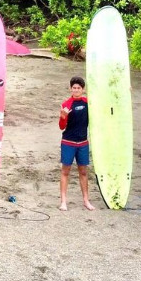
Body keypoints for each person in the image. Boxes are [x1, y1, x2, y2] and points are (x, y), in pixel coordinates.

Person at [58, 76, 95, 211]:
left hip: (83, 143)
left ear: (83, 89)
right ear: (70, 89)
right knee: (65, 171)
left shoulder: (88, 103)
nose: (76, 90)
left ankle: (86, 200)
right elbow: (62, 127)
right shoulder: (66, 105)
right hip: (68, 142)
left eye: (79, 88)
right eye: (74, 88)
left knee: (84, 172)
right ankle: (63, 201)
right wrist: (63, 117)